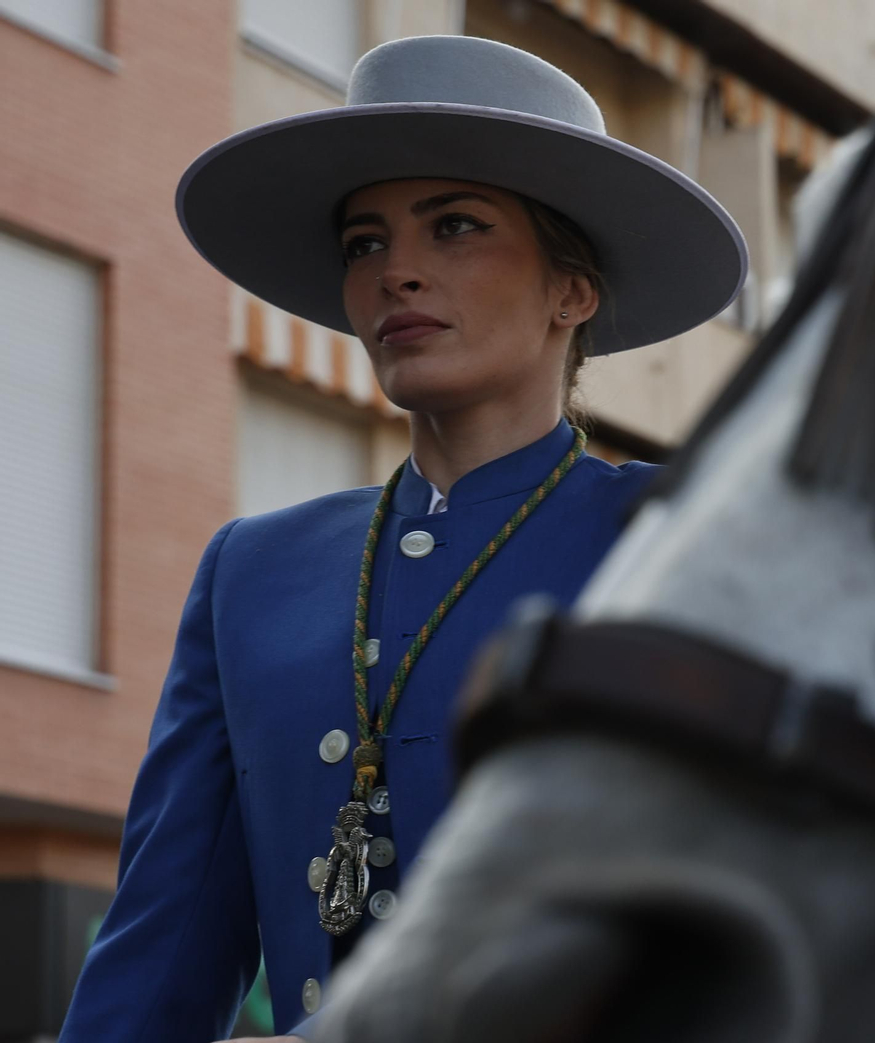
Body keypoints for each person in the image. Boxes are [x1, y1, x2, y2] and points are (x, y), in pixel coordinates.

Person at [58, 34, 746, 1043]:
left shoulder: (676, 538)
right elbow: (160, 949)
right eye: (364, 244)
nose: (397, 274)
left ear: (573, 290)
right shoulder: (250, 572)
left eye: (454, 227)